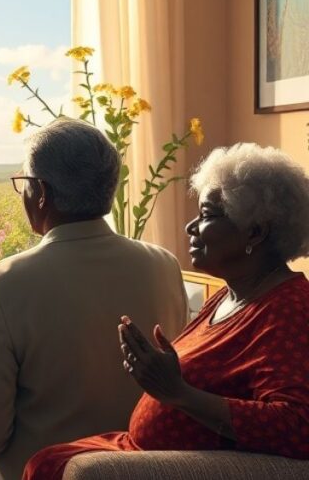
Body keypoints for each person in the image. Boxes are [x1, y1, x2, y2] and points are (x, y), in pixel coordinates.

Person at [24, 143, 309, 479]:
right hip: (134, 449)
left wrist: (179, 393)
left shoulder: (290, 308)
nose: (191, 227)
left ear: (255, 232)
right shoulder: (230, 295)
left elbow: (298, 427)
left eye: (206, 215)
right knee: (46, 461)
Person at [0, 119, 189, 480]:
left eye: (22, 184)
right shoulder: (164, 266)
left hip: (38, 472)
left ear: (41, 192)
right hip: (140, 470)